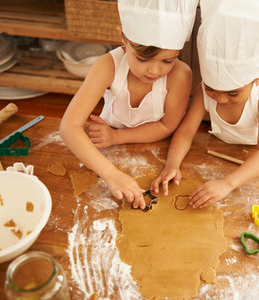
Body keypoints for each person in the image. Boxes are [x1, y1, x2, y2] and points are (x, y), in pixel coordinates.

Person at [151, 0, 259, 208]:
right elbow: (185, 131)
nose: (219, 99)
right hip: (224, 152)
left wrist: (228, 183)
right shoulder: (204, 91)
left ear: (257, 78)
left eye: (233, 93)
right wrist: (172, 165)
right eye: (211, 89)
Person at [60, 0, 198, 209]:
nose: (154, 71)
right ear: (123, 38)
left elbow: (166, 126)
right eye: (143, 59)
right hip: (102, 154)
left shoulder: (180, 75)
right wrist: (111, 174)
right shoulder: (108, 66)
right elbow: (69, 127)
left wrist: (116, 137)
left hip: (154, 149)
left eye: (167, 61)